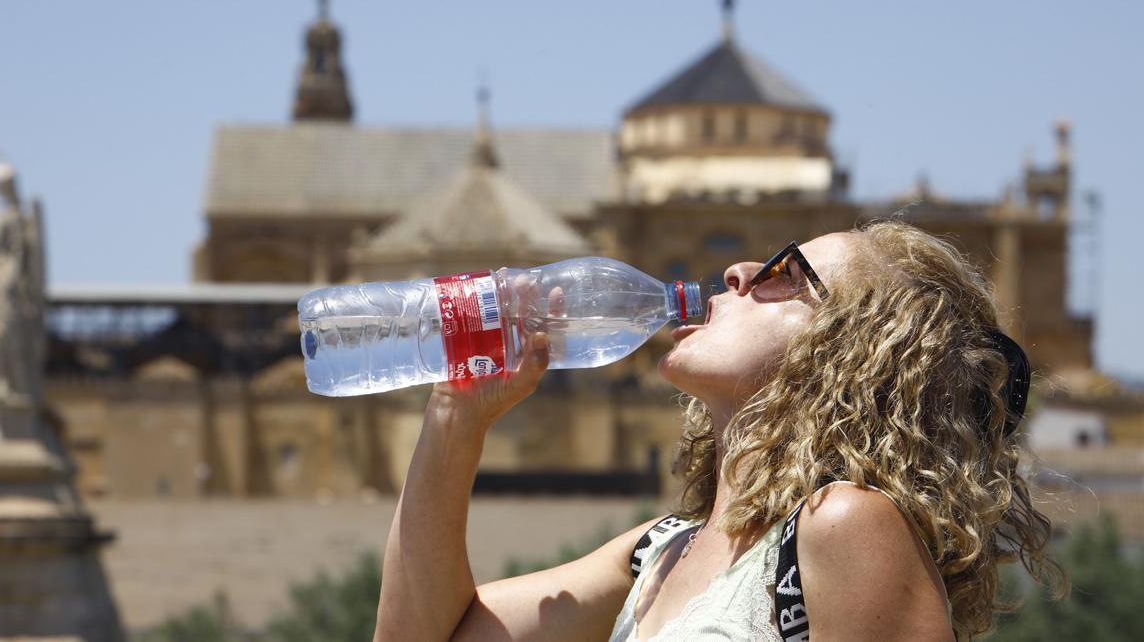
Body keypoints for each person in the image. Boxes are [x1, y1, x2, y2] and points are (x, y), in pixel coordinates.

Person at [374, 220, 1063, 641]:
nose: (737, 273)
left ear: (856, 343)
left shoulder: (848, 524)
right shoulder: (658, 554)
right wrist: (455, 417)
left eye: (786, 273)